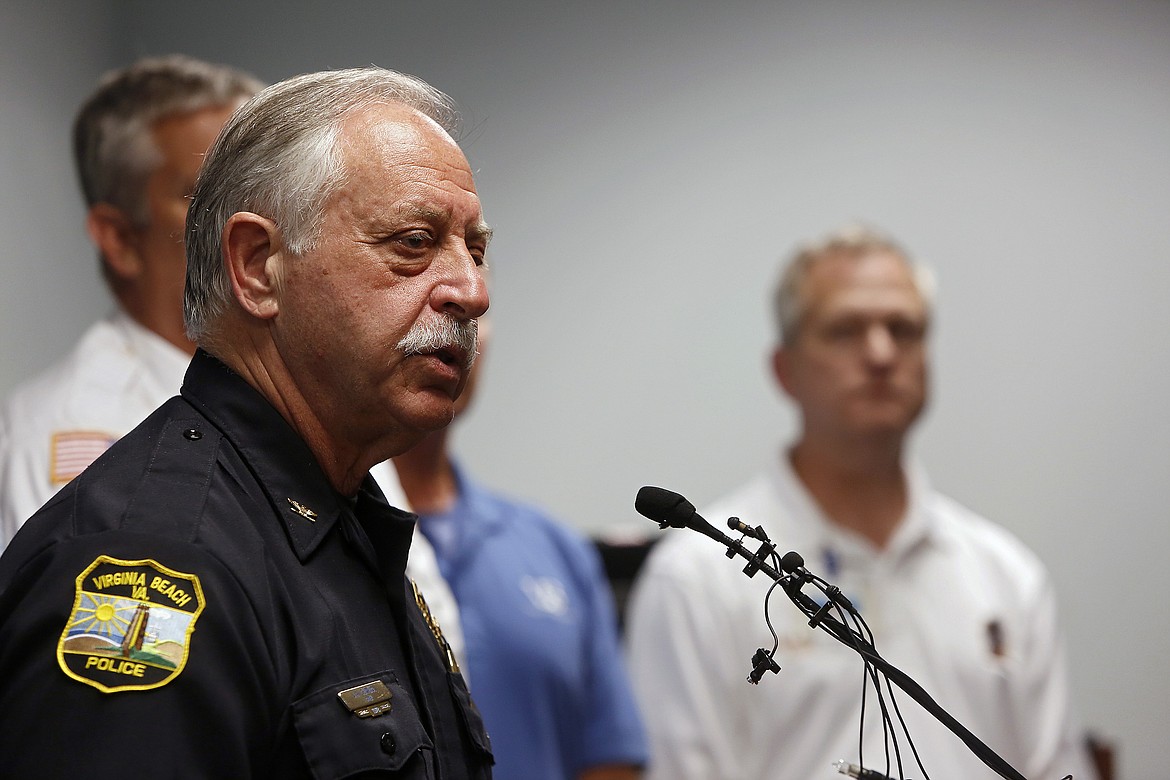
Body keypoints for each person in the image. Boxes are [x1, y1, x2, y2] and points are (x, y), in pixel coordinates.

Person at [0, 66, 494, 778]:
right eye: (414, 243)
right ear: (259, 265)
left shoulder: (342, 516)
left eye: (475, 250)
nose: (471, 291)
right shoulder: (158, 561)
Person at [625, 226, 1096, 780]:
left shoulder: (1006, 575)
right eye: (845, 331)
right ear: (785, 369)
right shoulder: (699, 577)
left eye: (904, 330)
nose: (880, 353)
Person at [392, 320, 648, 780]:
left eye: (476, 310)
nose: (456, 325)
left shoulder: (556, 548)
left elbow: (610, 756)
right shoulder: (313, 536)